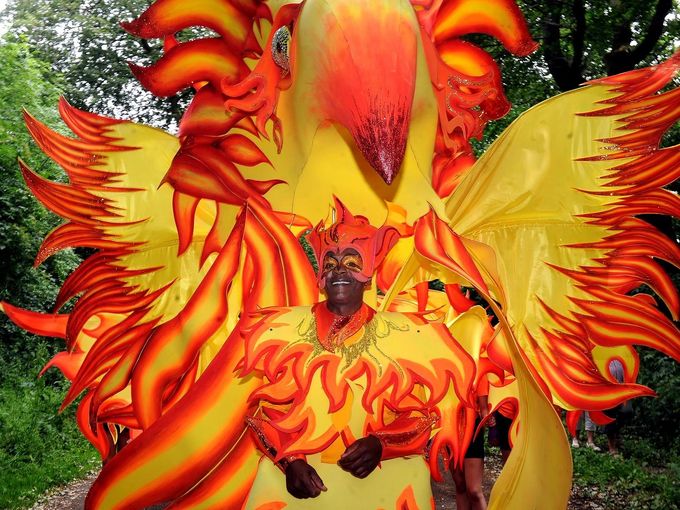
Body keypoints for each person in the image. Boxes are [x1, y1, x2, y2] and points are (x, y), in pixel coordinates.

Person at [238, 202, 479, 509]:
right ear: (320, 277)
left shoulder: (404, 335)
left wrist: (382, 442)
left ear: (368, 275)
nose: (339, 270)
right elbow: (262, 415)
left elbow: (421, 418)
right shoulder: (284, 328)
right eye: (330, 263)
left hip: (380, 486)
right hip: (306, 487)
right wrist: (290, 462)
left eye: (352, 262)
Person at [451, 377, 490, 510]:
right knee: (460, 484)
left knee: (474, 490)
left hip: (472, 430)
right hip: (450, 429)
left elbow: (484, 409)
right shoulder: (445, 363)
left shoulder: (479, 370)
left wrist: (489, 420)